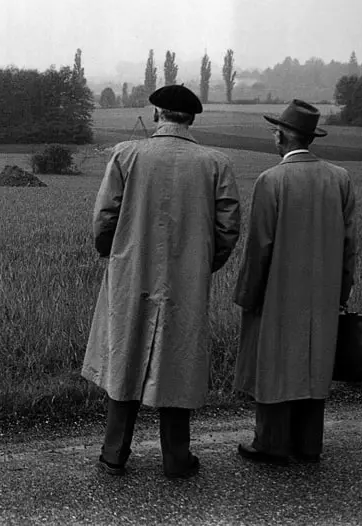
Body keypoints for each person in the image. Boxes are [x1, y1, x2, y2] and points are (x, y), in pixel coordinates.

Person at [82, 85, 241, 479]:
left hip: (130, 271)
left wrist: (113, 253)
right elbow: (228, 228)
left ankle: (114, 453)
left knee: (125, 354)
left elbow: (105, 216)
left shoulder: (126, 154)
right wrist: (204, 264)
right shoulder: (216, 163)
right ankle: (176, 457)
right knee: (179, 359)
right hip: (187, 277)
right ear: (191, 118)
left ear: (157, 115)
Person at [233, 99, 356, 465]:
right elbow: (350, 245)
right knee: (313, 364)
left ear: (283, 136)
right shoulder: (340, 178)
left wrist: (249, 295)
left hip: (278, 293)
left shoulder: (271, 180)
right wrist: (341, 293)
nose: (273, 136)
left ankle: (270, 444)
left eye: (275, 131)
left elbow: (260, 246)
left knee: (274, 364)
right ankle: (308, 444)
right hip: (323, 294)